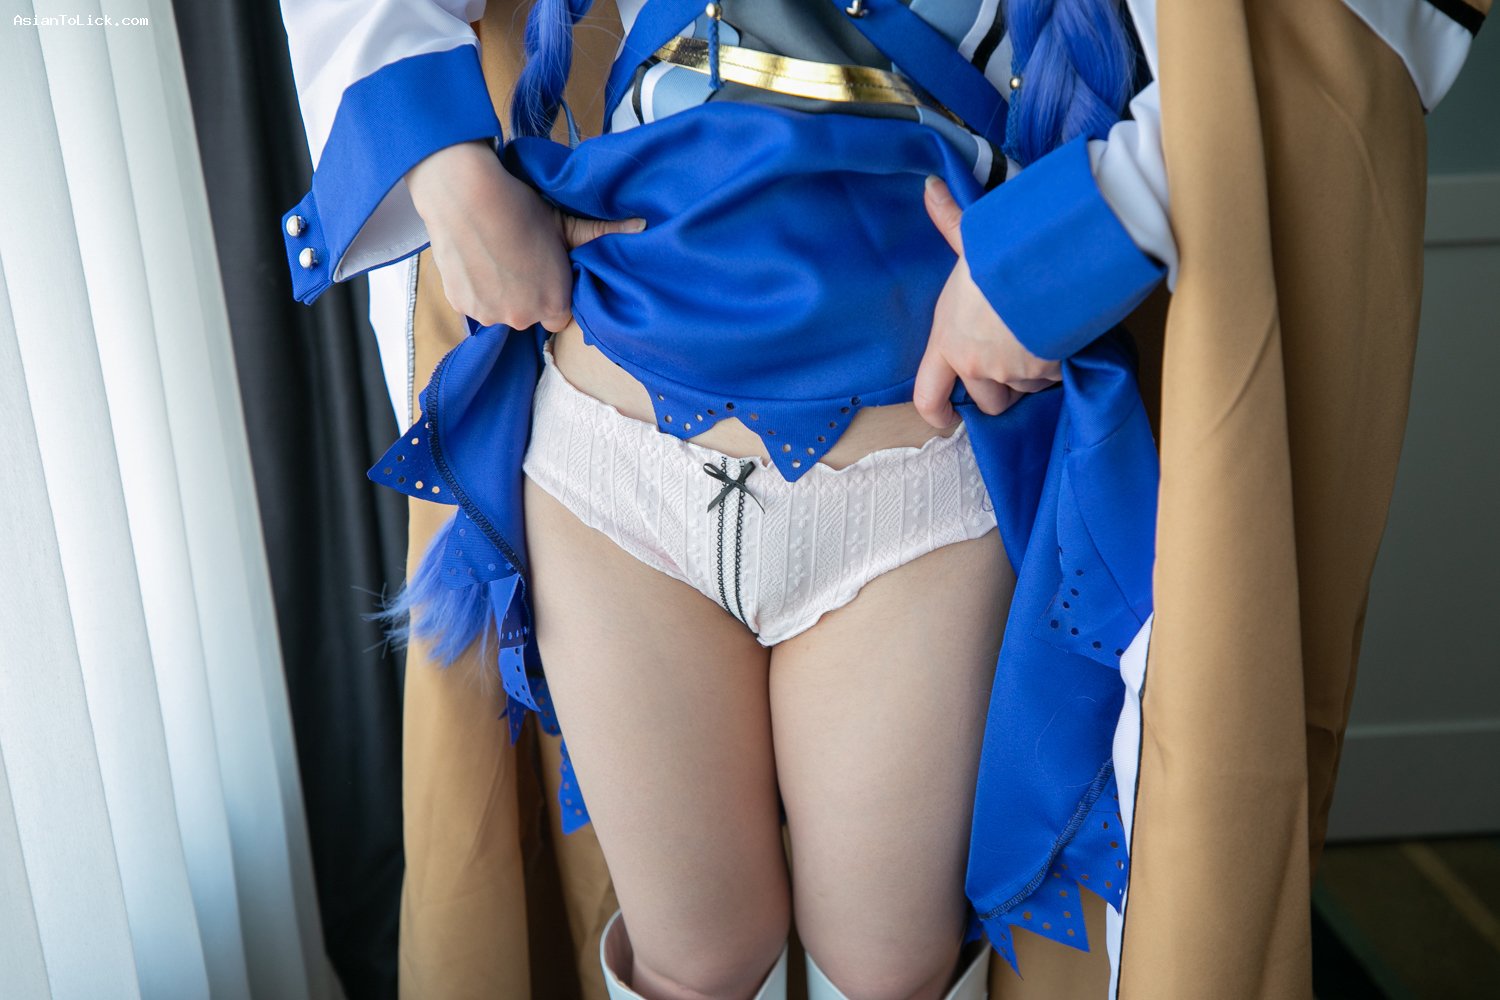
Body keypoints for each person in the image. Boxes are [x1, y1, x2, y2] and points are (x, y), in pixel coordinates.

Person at [276, 1, 1485, 997]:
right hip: (608, 460)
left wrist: (1068, 244)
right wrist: (449, 175)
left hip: (923, 483)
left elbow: (1289, 52)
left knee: (886, 965)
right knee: (696, 959)